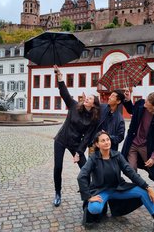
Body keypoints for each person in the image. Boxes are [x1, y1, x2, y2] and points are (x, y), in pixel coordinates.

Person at [77, 131, 154, 232]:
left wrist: (147, 187)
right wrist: (88, 196)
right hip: (101, 191)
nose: (106, 142)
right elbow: (81, 176)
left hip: (118, 189)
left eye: (108, 139)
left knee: (144, 193)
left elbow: (131, 172)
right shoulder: (93, 158)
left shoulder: (117, 156)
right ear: (97, 144)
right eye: (102, 141)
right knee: (95, 208)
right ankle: (90, 209)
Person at [53, 65, 100, 207]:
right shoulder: (74, 105)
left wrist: (79, 152)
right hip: (61, 139)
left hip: (75, 143)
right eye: (87, 97)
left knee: (85, 167)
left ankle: (89, 192)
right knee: (58, 167)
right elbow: (64, 93)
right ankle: (57, 193)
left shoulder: (93, 118)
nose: (87, 99)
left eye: (90, 98)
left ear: (93, 104)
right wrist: (59, 77)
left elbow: (87, 138)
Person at [121, 91, 154, 217]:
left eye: (148, 101)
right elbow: (132, 110)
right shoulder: (141, 104)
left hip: (147, 148)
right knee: (130, 170)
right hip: (132, 144)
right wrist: (127, 100)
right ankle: (139, 195)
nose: (145, 101)